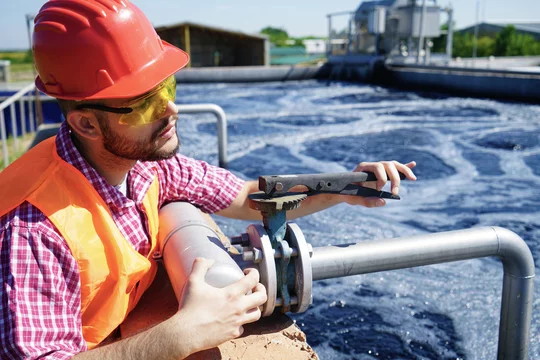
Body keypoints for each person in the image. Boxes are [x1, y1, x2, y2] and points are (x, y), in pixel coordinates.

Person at [0, 1, 417, 359]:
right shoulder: (32, 228)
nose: (171, 110)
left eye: (167, 86)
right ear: (87, 124)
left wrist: (344, 186)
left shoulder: (148, 167)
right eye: (145, 104)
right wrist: (181, 334)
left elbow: (248, 196)